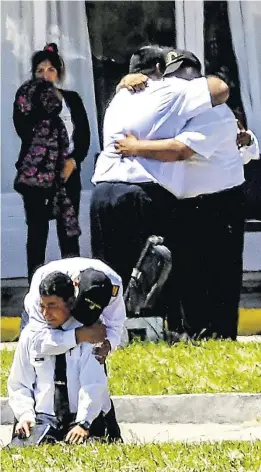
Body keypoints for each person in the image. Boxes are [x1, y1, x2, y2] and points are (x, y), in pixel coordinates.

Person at [90, 44, 230, 331]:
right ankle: (155, 332)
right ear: (158, 70)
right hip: (144, 192)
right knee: (154, 271)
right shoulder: (168, 90)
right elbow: (220, 89)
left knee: (112, 272)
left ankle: (113, 334)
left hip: (103, 190)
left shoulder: (118, 98)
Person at [8, 272, 117, 446]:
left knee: (89, 450)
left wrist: (84, 423)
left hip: (81, 417)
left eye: (52, 306)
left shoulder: (91, 332)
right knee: (21, 452)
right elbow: (19, 383)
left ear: (71, 303)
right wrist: (25, 415)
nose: (46, 313)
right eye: (42, 306)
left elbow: (93, 384)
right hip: (44, 419)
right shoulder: (32, 334)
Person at [13, 43, 90, 283]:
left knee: (68, 233)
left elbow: (83, 135)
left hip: (67, 173)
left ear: (59, 73)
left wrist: (73, 161)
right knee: (37, 233)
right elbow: (24, 132)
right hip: (38, 176)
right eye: (39, 70)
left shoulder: (72, 100)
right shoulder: (27, 100)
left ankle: (72, 286)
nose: (45, 75)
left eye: (50, 70)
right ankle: (35, 287)